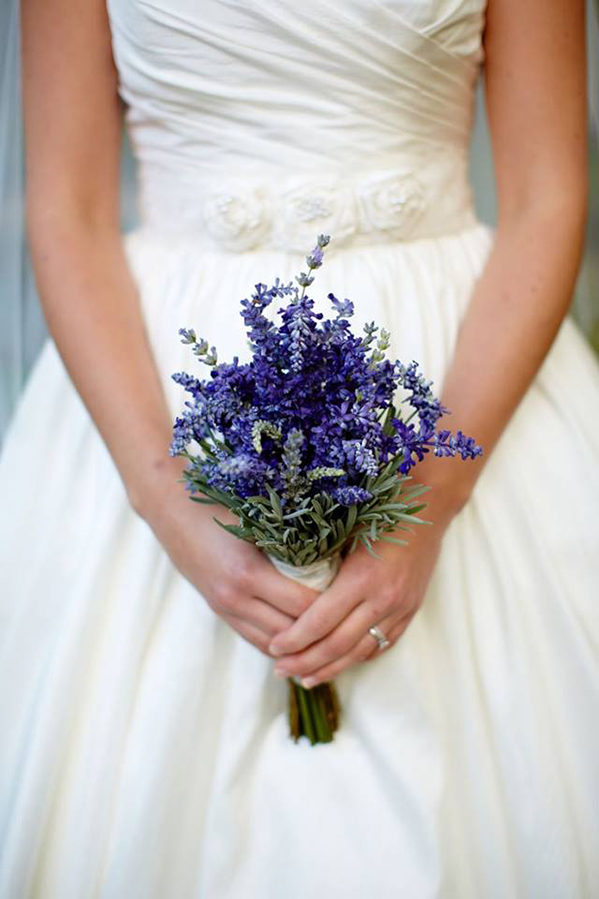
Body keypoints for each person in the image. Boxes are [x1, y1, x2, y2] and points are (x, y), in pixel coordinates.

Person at [1, 0, 598, 895]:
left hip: (454, 366)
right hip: (159, 381)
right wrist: (165, 495)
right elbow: (66, 207)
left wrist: (431, 501)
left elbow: (549, 195)